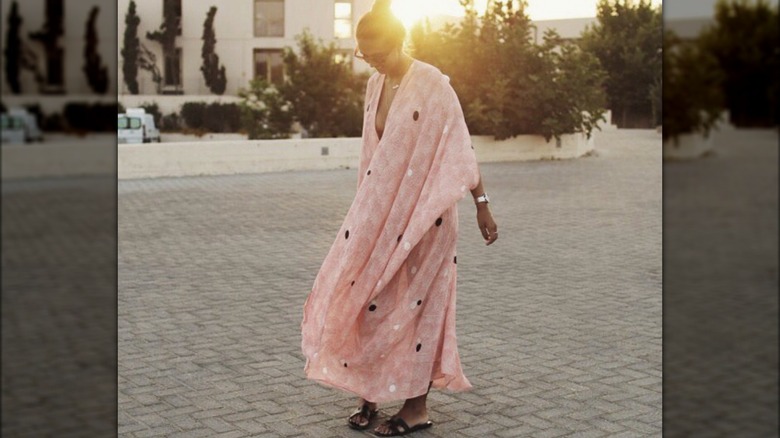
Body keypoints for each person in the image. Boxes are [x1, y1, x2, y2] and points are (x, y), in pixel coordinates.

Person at [301, 0, 498, 435]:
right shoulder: (374, 85)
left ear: (400, 42)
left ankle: (415, 408)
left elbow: (459, 147)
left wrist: (482, 203)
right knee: (366, 298)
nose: (371, 61)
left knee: (418, 309)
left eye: (379, 54)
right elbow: (374, 158)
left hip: (427, 221)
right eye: (364, 55)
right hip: (379, 219)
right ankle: (368, 393)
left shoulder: (432, 84)